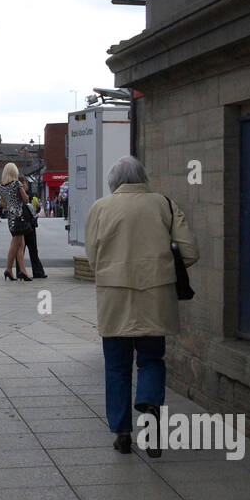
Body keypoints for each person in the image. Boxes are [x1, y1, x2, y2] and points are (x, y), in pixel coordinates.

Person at [85, 156, 199, 457]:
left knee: (117, 365)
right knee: (151, 359)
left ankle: (122, 432)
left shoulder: (100, 208)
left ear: (114, 182)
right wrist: (162, 268)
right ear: (142, 178)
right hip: (155, 294)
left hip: (115, 297)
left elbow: (94, 259)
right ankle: (149, 408)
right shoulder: (164, 204)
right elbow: (189, 251)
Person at [0, 162, 31, 280]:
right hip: (19, 217)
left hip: (11, 218)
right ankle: (8, 269)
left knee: (20, 245)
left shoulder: (1, 187)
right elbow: (26, 199)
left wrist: (10, 203)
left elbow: (3, 204)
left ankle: (23, 271)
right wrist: (23, 192)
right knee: (15, 244)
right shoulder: (17, 184)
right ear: (14, 172)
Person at [19, 175, 47, 279]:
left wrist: (38, 207)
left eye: (25, 183)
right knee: (24, 249)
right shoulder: (22, 196)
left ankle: (36, 271)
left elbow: (36, 210)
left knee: (30, 249)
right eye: (24, 183)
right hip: (24, 224)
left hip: (28, 224)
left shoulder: (30, 195)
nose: (25, 185)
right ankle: (31, 271)